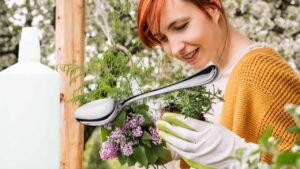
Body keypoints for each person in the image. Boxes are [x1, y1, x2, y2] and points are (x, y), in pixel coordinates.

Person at [137, 0, 300, 168]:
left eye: (181, 26)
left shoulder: (260, 72)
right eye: (163, 38)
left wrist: (238, 155)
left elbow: (293, 156)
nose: (174, 49)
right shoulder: (208, 76)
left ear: (212, 8)